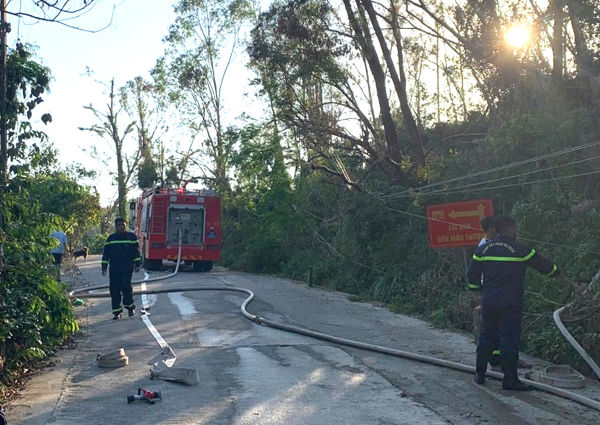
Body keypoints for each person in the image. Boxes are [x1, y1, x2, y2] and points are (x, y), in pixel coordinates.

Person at [467, 215, 560, 391]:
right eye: (514, 228)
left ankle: (479, 373)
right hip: (511, 303)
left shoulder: (483, 250)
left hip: (489, 301)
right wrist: (558, 275)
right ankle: (510, 380)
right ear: (509, 228)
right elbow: (545, 266)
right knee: (508, 340)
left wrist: (478, 293)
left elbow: (472, 273)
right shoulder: (520, 249)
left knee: (486, 337)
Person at [101, 217, 141, 320]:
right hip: (114, 269)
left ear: (125, 225)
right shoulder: (111, 239)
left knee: (126, 288)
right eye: (119, 225)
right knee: (114, 290)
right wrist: (104, 266)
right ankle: (116, 312)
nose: (121, 227)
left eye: (123, 225)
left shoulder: (131, 237)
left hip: (127, 268)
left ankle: (130, 308)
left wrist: (137, 264)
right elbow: (106, 254)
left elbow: (136, 252)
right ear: (115, 227)